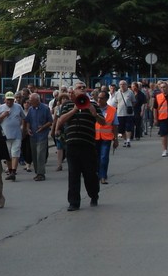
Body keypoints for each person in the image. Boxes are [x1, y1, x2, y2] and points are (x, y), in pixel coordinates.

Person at [54, 83, 106, 211]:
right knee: (73, 174)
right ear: (74, 92)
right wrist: (74, 110)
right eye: (79, 88)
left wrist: (95, 114)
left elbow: (103, 122)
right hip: (72, 144)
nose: (82, 89)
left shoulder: (93, 105)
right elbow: (60, 121)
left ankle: (94, 195)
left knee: (90, 174)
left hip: (88, 145)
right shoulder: (68, 105)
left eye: (84, 87)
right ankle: (74, 203)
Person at [0, 91, 24, 180]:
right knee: (7, 155)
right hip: (5, 135)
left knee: (15, 153)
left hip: (17, 134)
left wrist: (23, 128)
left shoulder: (18, 107)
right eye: (8, 100)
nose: (9, 102)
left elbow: (24, 117)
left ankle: (13, 172)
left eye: (11, 100)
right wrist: (3, 115)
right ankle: (10, 170)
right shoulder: (1, 108)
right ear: (5, 100)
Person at [24, 92, 52, 181]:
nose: (29, 102)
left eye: (31, 100)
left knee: (40, 154)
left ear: (37, 100)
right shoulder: (31, 109)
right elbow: (28, 120)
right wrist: (28, 129)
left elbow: (50, 121)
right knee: (35, 155)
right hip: (33, 135)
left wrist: (43, 127)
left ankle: (41, 173)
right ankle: (37, 172)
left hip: (42, 135)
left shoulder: (45, 108)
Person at [95, 90, 118, 185]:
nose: (99, 100)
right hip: (95, 137)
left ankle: (103, 176)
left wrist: (115, 139)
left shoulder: (112, 110)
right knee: (95, 157)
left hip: (106, 138)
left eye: (101, 98)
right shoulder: (94, 109)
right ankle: (96, 174)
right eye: (98, 98)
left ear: (106, 99)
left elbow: (115, 125)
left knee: (104, 157)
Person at [111, 80, 136, 147]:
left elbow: (134, 101)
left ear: (126, 85)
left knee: (128, 127)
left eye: (123, 84)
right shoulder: (117, 93)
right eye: (121, 84)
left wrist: (130, 107)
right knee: (121, 129)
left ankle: (128, 140)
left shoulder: (130, 92)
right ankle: (125, 140)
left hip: (128, 114)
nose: (122, 86)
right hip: (120, 113)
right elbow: (116, 103)